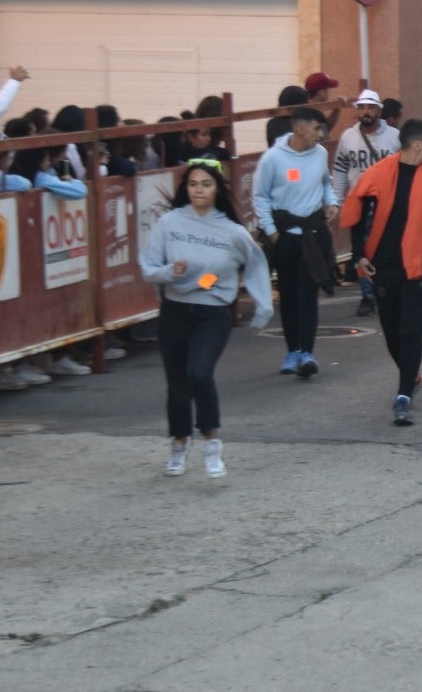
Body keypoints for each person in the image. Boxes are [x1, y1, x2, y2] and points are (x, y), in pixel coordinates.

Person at [140, 160, 273, 478]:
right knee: (177, 384)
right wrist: (168, 272)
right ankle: (179, 444)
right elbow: (148, 266)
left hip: (212, 313)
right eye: (193, 184)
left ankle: (212, 443)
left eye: (206, 184)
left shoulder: (232, 231)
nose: (199, 190)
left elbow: (256, 264)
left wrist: (262, 307)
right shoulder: (170, 223)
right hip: (175, 310)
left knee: (200, 373)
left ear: (217, 190)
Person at [342, 118, 422, 425]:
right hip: (384, 266)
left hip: (421, 267)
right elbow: (356, 211)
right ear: (417, 144)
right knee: (393, 331)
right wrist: (358, 255)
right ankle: (412, 377)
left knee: (411, 331)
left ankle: (403, 394)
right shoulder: (380, 172)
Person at [252, 105, 339, 380]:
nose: (320, 134)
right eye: (316, 128)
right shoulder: (272, 159)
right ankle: (293, 350)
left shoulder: (320, 154)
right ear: (299, 129)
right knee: (288, 295)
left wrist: (331, 202)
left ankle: (307, 352)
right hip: (285, 235)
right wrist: (271, 230)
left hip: (313, 234)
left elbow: (326, 183)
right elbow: (260, 196)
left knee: (308, 293)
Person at [331, 89, 403, 317]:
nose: (366, 112)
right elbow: (341, 168)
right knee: (361, 250)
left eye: (371, 107)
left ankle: (388, 290)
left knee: (390, 247)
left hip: (388, 200)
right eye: (362, 108)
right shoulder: (348, 137)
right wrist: (337, 199)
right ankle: (367, 296)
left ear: (379, 110)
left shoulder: (393, 136)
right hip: (359, 199)